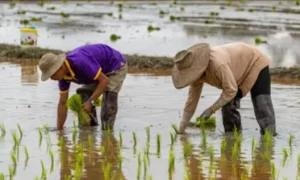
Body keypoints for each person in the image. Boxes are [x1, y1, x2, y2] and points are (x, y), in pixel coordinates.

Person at [171, 42, 276, 136]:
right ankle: (233, 139)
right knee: (227, 106)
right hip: (235, 72)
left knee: (262, 104)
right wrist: (182, 126)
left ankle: (270, 138)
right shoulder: (196, 76)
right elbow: (192, 101)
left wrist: (211, 109)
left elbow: (230, 90)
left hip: (254, 61)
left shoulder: (218, 64)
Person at [38, 43, 127, 131]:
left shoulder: (80, 62)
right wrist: (59, 130)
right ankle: (90, 130)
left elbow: (104, 81)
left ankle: (107, 134)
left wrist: (90, 101)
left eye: (52, 74)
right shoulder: (63, 77)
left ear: (60, 67)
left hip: (115, 66)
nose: (51, 78)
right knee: (84, 94)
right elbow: (62, 102)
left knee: (108, 100)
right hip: (97, 70)